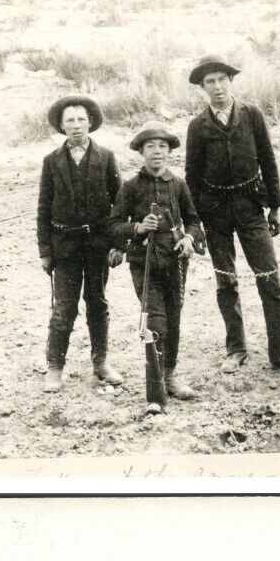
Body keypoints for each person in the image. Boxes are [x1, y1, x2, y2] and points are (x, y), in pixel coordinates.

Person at [184, 54, 280, 377]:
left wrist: (277, 207)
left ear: (231, 82)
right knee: (225, 282)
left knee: (269, 278)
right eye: (209, 83)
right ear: (202, 88)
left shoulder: (252, 115)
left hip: (251, 206)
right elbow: (192, 176)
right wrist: (194, 223)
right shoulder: (196, 127)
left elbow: (268, 162)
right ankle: (236, 348)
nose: (217, 88)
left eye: (222, 80)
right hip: (214, 212)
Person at [108, 122, 206, 416]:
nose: (157, 152)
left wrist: (189, 238)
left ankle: (171, 376)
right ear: (141, 152)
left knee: (174, 320)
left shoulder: (178, 185)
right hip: (145, 263)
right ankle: (155, 391)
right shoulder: (130, 187)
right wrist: (137, 227)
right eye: (151, 147)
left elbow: (194, 221)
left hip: (175, 262)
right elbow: (112, 226)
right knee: (155, 323)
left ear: (169, 152)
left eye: (162, 147)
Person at [37, 94, 125, 393]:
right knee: (63, 307)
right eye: (70, 120)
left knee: (97, 303)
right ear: (61, 126)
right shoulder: (51, 162)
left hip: (98, 244)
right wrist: (46, 252)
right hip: (65, 246)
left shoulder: (106, 157)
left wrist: (119, 244)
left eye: (81, 119)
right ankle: (54, 367)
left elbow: (120, 205)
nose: (76, 125)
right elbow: (43, 209)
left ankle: (100, 363)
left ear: (90, 123)